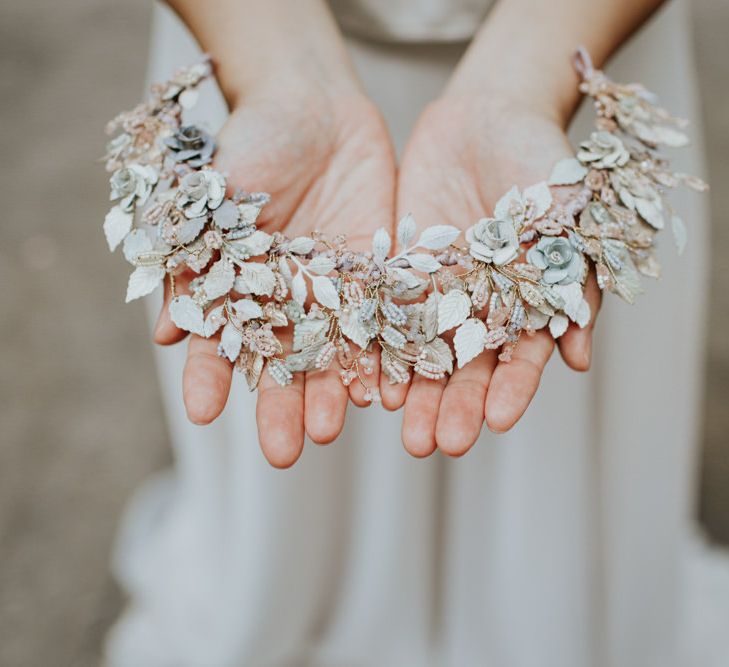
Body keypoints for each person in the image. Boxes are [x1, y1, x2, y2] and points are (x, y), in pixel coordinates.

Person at [106, 1, 729, 665]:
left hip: (569, 50)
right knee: (295, 502)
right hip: (252, 44)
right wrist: (277, 65)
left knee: (550, 469)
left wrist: (530, 70)